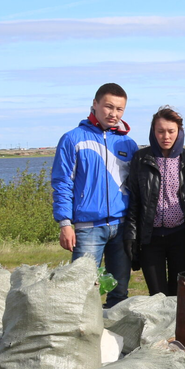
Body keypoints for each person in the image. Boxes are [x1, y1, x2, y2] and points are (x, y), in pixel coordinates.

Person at [50, 82, 138, 307]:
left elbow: (136, 186)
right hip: (87, 228)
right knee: (81, 290)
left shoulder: (128, 143)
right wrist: (65, 223)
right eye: (109, 107)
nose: (113, 113)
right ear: (95, 104)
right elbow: (62, 183)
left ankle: (116, 339)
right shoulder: (73, 139)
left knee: (119, 292)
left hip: (121, 226)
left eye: (119, 109)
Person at [124, 106, 185, 296]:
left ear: (179, 132)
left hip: (180, 237)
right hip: (150, 238)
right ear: (153, 132)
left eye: (171, 131)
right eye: (160, 131)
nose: (166, 136)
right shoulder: (141, 159)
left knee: (178, 294)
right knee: (157, 295)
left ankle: (176, 327)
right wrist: (131, 235)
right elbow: (134, 201)